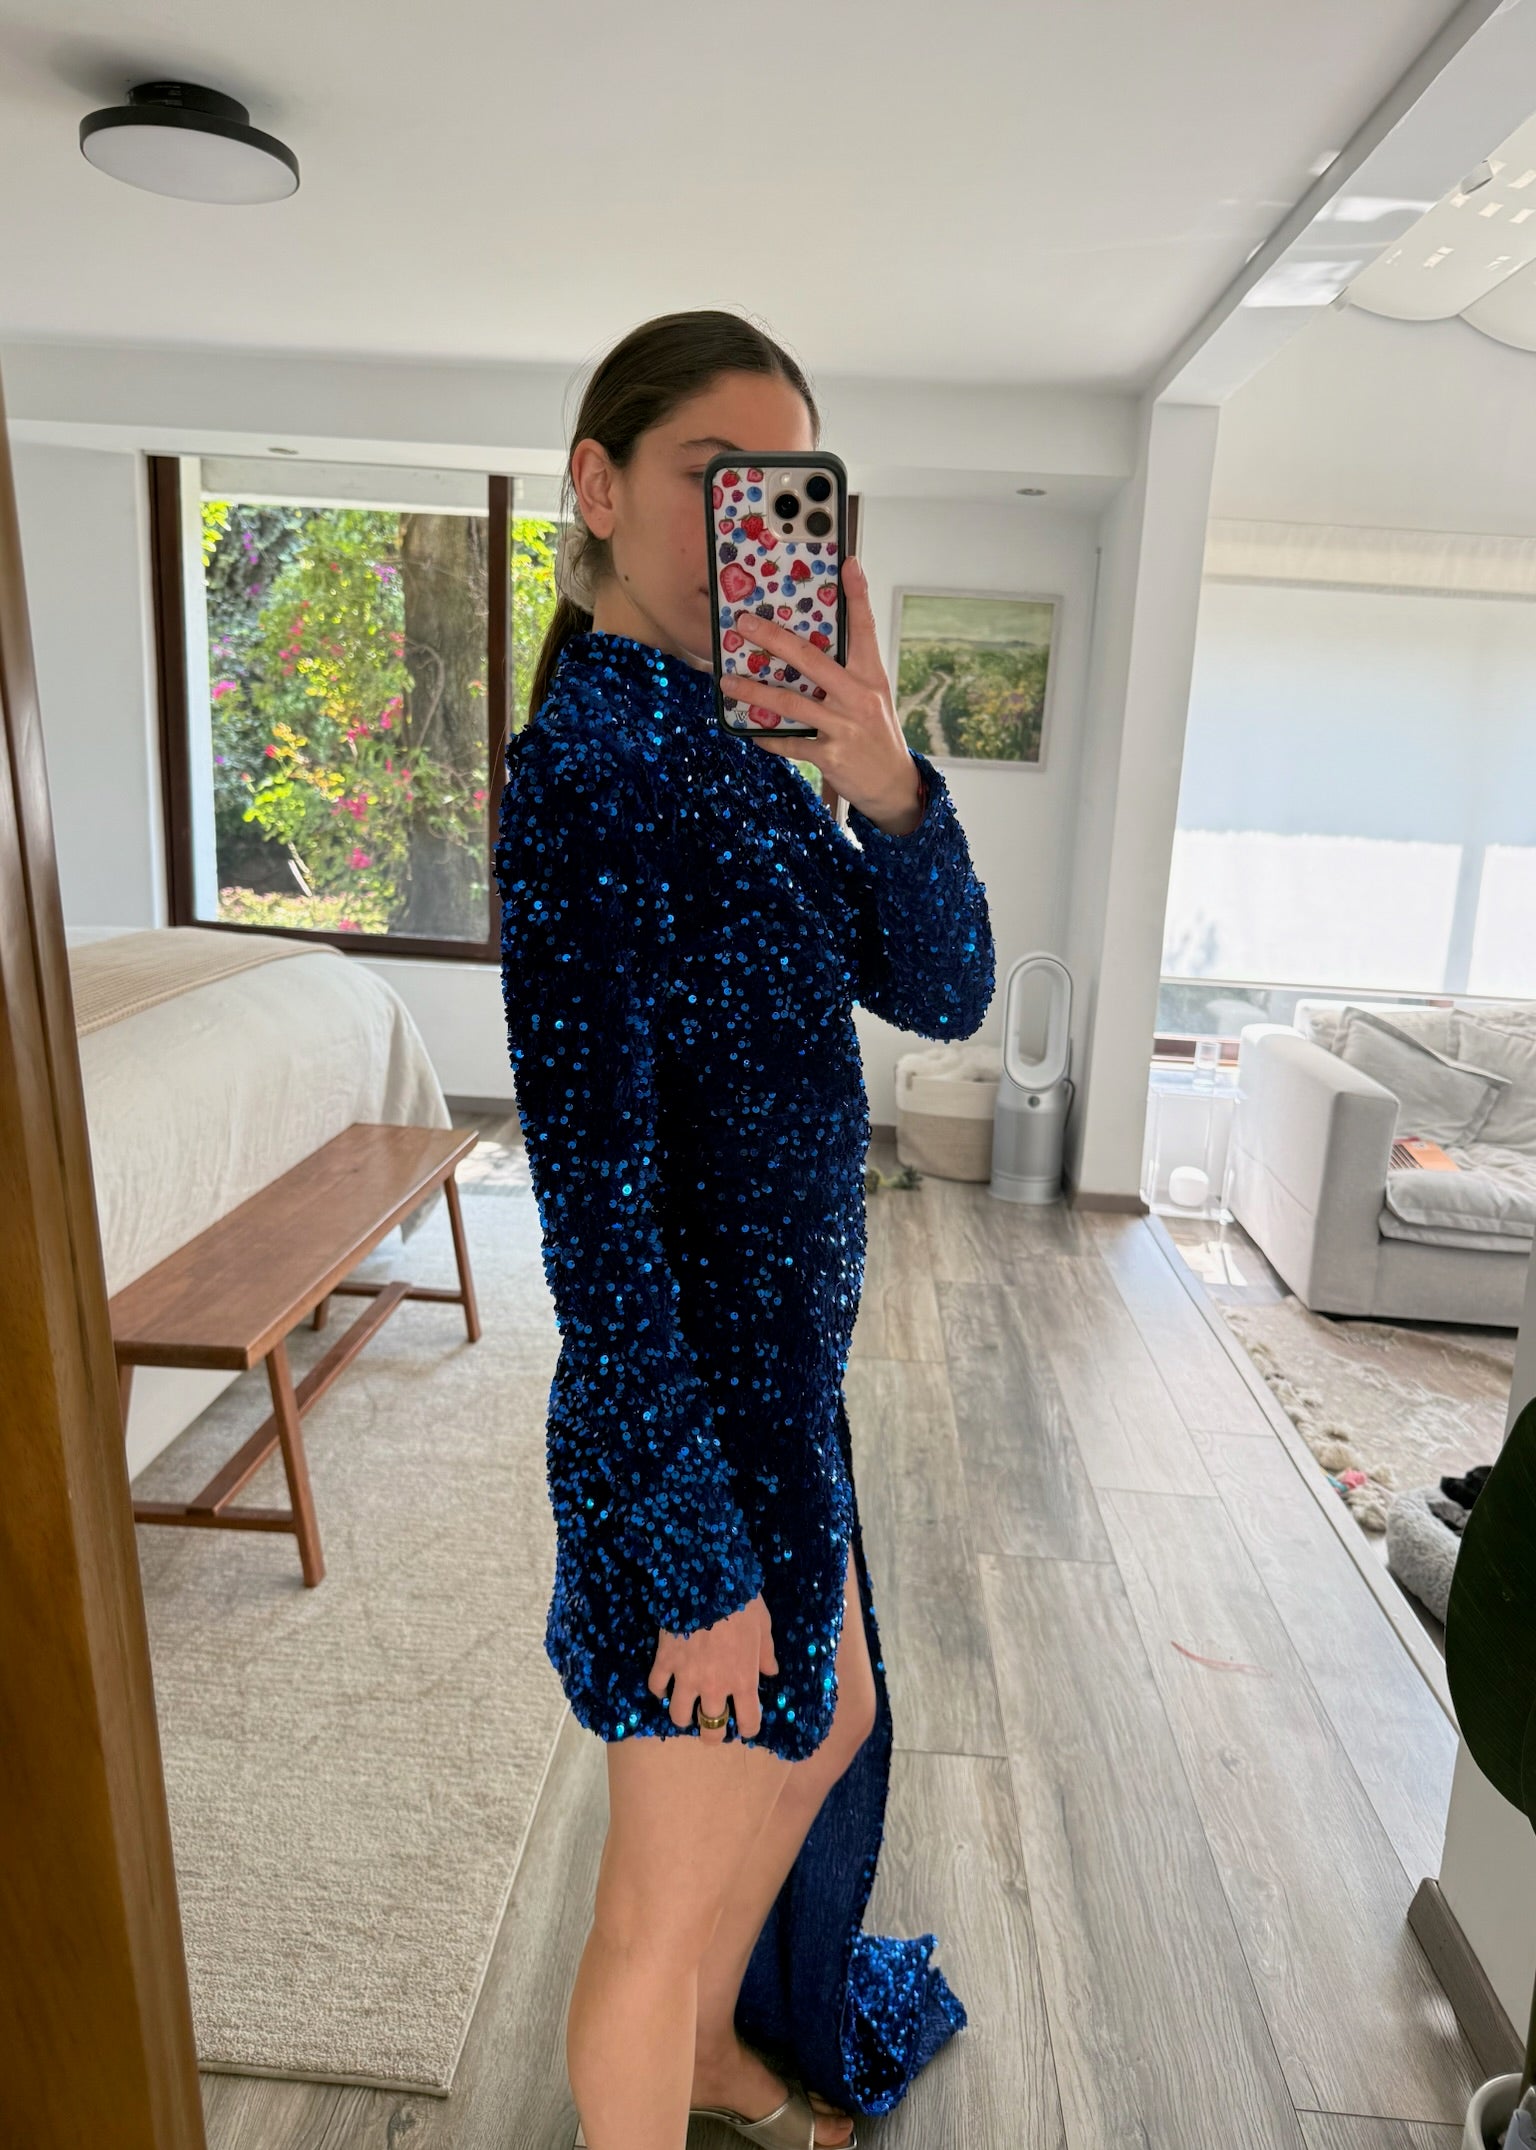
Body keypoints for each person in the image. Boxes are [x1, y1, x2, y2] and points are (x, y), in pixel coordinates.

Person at [494, 309, 995, 2150]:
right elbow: (595, 1224)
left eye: (782, 495)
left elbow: (945, 991)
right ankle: (673, 2048)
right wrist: (693, 1556)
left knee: (831, 1719)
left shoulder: (746, 762)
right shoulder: (588, 778)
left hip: (783, 1397)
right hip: (685, 1427)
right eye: (715, 478)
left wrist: (888, 785)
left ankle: (714, 2047)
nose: (745, 529)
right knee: (650, 1904)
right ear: (599, 487)